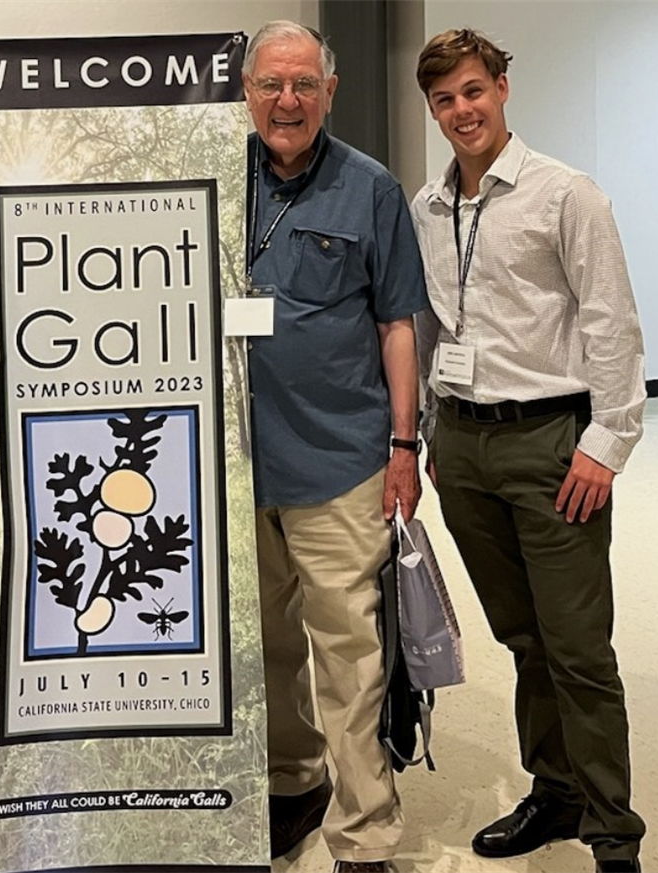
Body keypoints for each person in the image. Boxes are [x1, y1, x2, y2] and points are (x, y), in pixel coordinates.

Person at [410, 29, 647, 873]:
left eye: (473, 91)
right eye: (444, 99)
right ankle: (556, 792)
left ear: (503, 88)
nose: (461, 110)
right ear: (431, 109)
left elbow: (611, 323)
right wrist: (433, 434)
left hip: (554, 443)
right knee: (523, 637)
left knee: (578, 646)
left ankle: (615, 832)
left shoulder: (566, 195)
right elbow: (432, 325)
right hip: (466, 448)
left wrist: (606, 443)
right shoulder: (427, 208)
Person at [241, 20, 427, 873]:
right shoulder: (210, 179)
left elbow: (397, 322)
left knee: (348, 651)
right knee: (270, 646)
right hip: (237, 469)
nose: (287, 100)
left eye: (303, 84)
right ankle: (294, 781)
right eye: (272, 84)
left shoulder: (372, 187)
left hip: (340, 459)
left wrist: (403, 442)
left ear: (329, 90)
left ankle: (364, 832)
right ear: (247, 90)